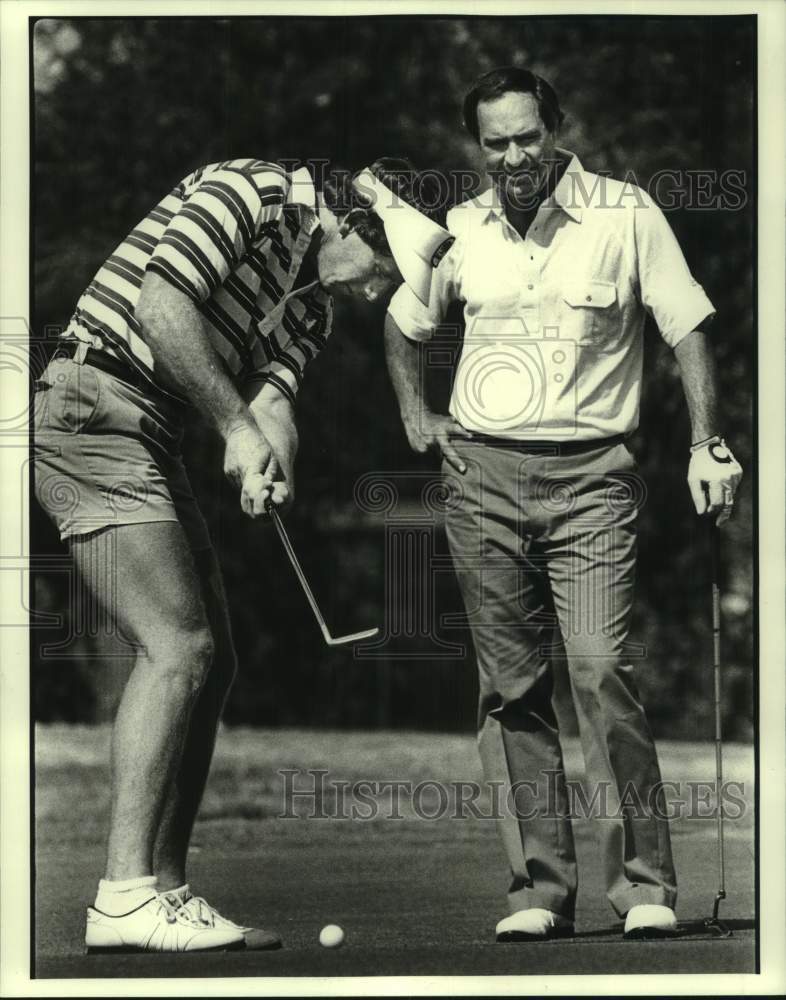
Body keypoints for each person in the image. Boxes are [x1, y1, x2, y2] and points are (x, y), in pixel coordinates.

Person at [34, 155, 446, 953]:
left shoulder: (313, 312)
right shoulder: (251, 192)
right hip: (89, 406)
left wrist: (269, 463)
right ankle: (122, 897)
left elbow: (272, 402)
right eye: (384, 272)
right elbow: (160, 306)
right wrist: (233, 429)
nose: (377, 295)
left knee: (209, 662)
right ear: (357, 227)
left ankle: (163, 891)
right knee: (178, 645)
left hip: (147, 433)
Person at [384, 67, 743, 941]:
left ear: (556, 127)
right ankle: (540, 893)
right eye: (495, 142)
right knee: (510, 690)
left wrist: (706, 442)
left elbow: (688, 326)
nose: (513, 156)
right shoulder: (459, 229)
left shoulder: (626, 213)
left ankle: (644, 884)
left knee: (599, 671)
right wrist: (416, 415)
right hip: (480, 477)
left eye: (526, 136)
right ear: (481, 145)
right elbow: (402, 324)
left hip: (593, 479)